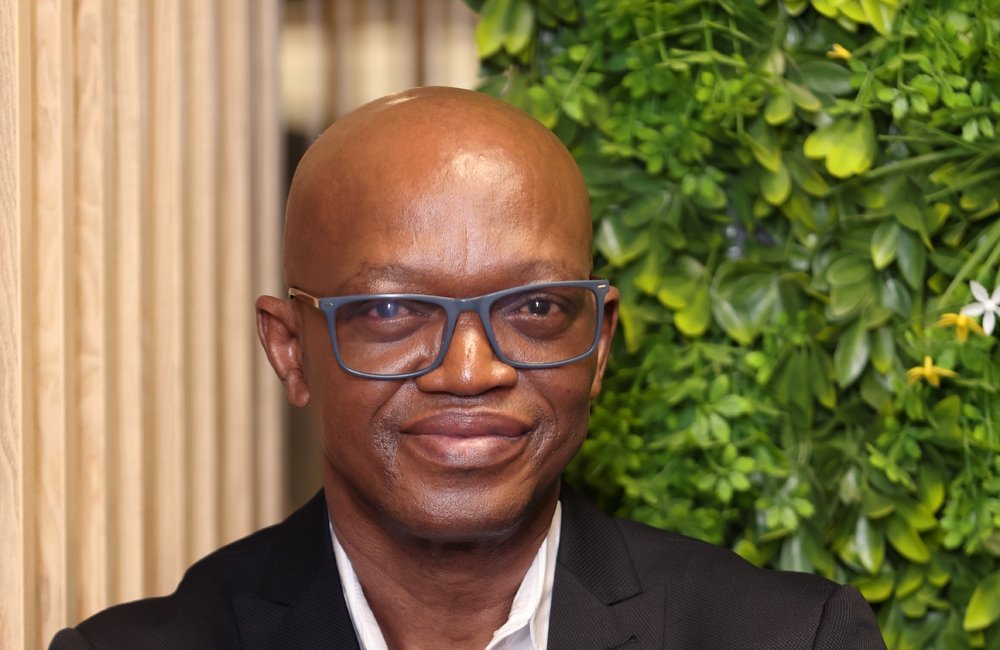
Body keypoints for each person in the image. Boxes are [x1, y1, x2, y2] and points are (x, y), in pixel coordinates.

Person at [51, 86, 885, 649]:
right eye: (391, 311)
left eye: (535, 307)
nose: (470, 369)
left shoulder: (787, 639)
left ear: (599, 345)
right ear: (291, 350)